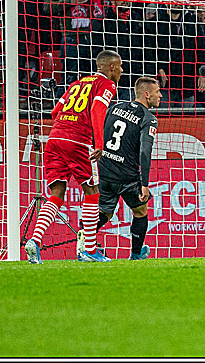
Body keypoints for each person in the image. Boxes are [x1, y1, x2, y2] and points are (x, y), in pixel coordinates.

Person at [24, 50, 123, 264]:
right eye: (121, 67)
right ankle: (89, 249)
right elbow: (98, 110)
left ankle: (35, 240)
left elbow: (55, 112)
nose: (122, 71)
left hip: (54, 138)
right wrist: (99, 142)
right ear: (112, 67)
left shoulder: (76, 84)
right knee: (92, 192)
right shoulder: (106, 84)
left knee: (57, 194)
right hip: (77, 141)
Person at [94, 76, 162, 260]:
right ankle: (136, 254)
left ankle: (85, 238)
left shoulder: (114, 108)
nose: (160, 96)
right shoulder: (148, 118)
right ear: (147, 95)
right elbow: (145, 152)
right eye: (157, 92)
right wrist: (145, 183)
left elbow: (98, 130)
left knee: (105, 213)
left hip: (106, 172)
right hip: (127, 177)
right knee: (140, 211)